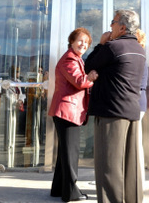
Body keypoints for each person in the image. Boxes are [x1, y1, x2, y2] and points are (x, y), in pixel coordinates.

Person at [85, 9, 146, 203]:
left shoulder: (112, 47)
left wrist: (101, 44)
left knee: (108, 165)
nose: (109, 26)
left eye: (112, 22)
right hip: (131, 111)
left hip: (111, 112)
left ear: (122, 27)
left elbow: (88, 66)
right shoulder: (139, 49)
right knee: (130, 165)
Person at [48, 27, 98, 201]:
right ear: (71, 41)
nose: (83, 44)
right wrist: (91, 77)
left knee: (65, 153)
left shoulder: (76, 58)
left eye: (86, 42)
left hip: (66, 111)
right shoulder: (70, 58)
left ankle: (58, 189)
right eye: (80, 41)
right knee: (71, 153)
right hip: (67, 111)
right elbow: (79, 82)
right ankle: (71, 193)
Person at [136, 29, 148, 188]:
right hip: (138, 102)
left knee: (135, 145)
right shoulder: (141, 56)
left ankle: (138, 181)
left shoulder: (138, 57)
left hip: (135, 102)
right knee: (136, 143)